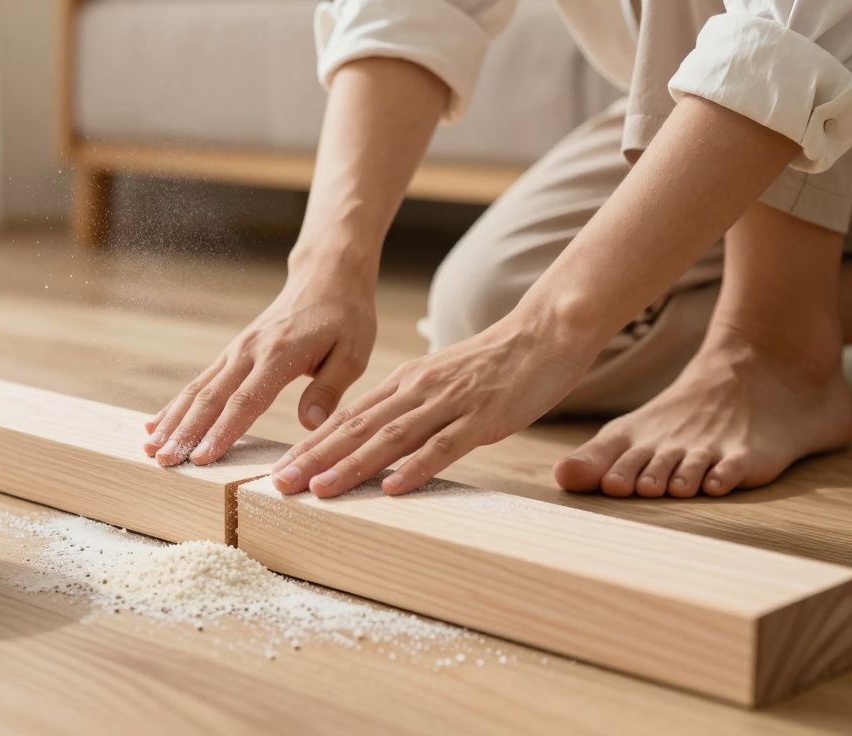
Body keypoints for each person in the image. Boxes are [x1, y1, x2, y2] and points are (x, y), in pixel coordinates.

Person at [143, 0, 852, 500]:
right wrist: (328, 265)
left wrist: (544, 332)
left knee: (539, 337)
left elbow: (791, 34)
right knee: (484, 306)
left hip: (822, 59)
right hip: (739, 94)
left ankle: (776, 344)